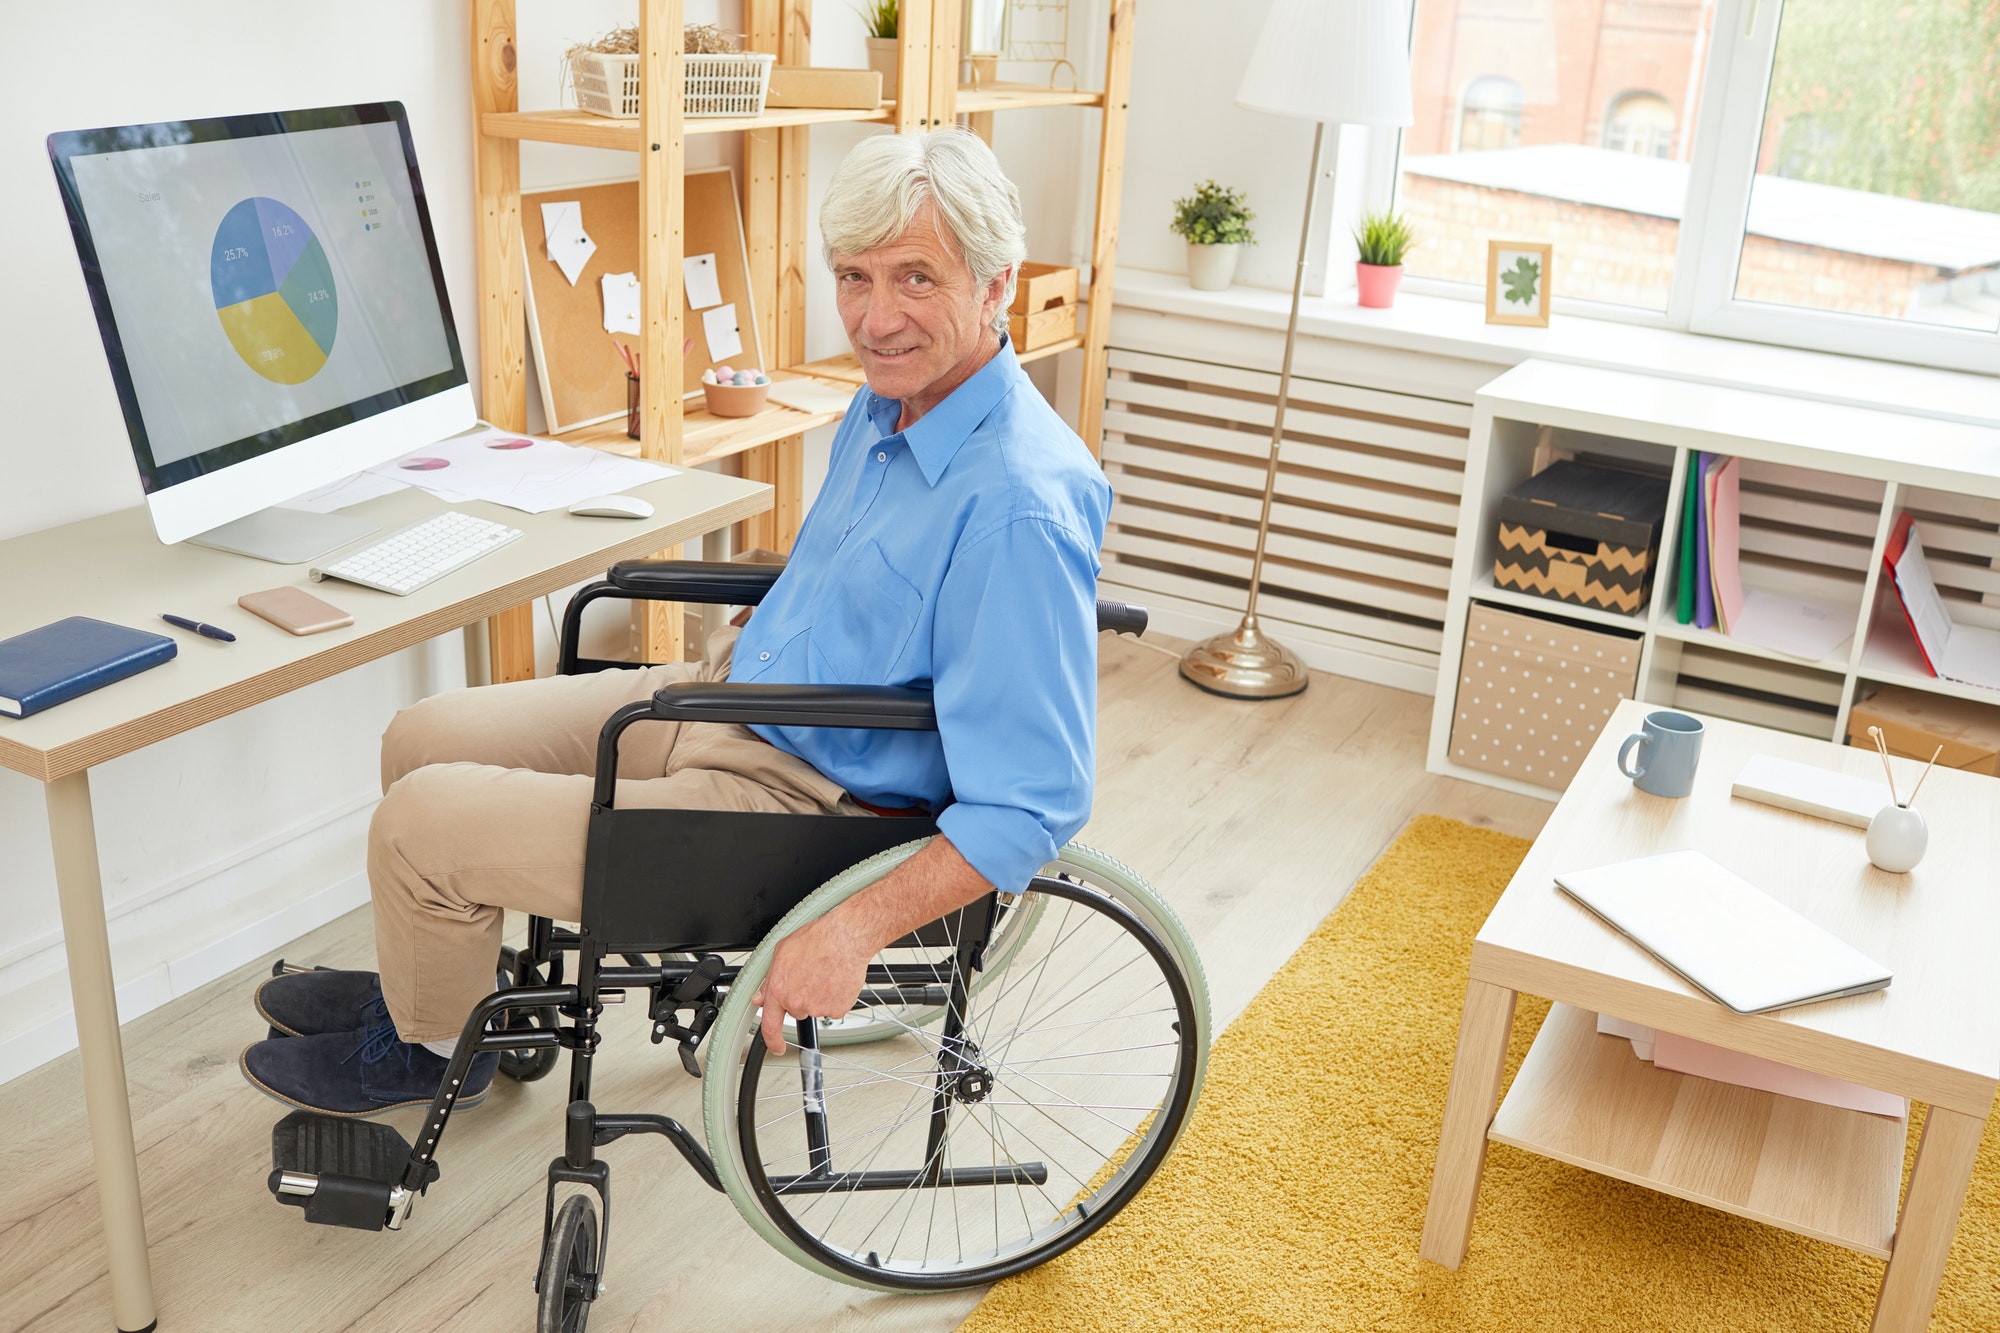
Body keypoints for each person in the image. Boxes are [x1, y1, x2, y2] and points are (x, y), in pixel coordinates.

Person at [239, 127, 1113, 1117]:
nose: (876, 317)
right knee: (419, 734)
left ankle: (431, 1051)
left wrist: (849, 930)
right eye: (853, 278)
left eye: (916, 278)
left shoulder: (1017, 503)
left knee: (415, 825)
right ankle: (438, 996)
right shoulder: (889, 404)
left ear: (996, 286)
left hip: (802, 805)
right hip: (735, 700)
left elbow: (1033, 805)